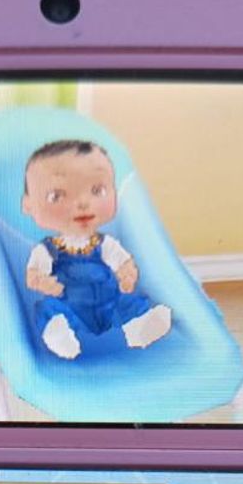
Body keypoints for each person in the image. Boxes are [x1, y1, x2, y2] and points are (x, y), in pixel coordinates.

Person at [22, 140, 171, 359]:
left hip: (108, 302)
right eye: (57, 195)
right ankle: (60, 335)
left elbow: (123, 262)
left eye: (97, 190)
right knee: (48, 309)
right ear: (28, 205)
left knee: (130, 302)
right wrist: (43, 282)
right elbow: (33, 275)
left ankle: (140, 328)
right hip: (69, 305)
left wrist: (127, 274)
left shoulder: (105, 244)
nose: (83, 203)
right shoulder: (47, 250)